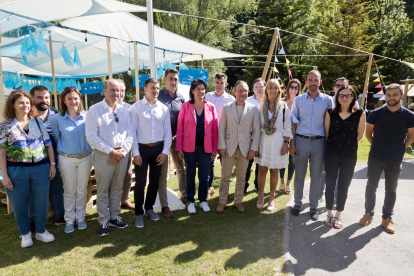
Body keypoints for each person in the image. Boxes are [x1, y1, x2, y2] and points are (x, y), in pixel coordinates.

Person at [0, 90, 56, 248]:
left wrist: (52, 165)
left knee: (41, 202)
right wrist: (4, 175)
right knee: (19, 204)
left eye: (27, 102)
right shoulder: (5, 125)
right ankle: (25, 234)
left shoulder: (37, 122)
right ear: (12, 105)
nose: (25, 105)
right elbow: (2, 152)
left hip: (41, 168)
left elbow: (48, 145)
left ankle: (40, 231)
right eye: (20, 102)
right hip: (16, 170)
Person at [359, 83, 414, 234]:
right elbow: (368, 134)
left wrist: (400, 149)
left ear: (401, 96)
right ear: (385, 96)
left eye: (395, 95)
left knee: (391, 190)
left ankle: (387, 218)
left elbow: (411, 136)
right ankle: (368, 214)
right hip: (375, 156)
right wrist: (377, 146)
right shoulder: (376, 113)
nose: (391, 98)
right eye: (388, 95)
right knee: (371, 186)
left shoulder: (409, 116)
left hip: (395, 159)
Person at [86, 79, 133, 236]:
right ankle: (103, 220)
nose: (116, 93)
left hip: (122, 155)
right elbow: (91, 136)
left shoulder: (125, 110)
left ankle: (114, 216)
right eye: (113, 90)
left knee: (117, 189)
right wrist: (111, 151)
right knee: (103, 189)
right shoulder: (94, 110)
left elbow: (130, 134)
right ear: (104, 91)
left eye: (119, 90)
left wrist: (121, 153)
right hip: (103, 155)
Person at [290, 70, 333, 220]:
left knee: (316, 176)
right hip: (301, 140)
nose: (313, 82)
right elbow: (293, 122)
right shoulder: (298, 100)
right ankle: (297, 203)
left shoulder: (328, 100)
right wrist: (292, 143)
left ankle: (313, 206)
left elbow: (332, 122)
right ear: (306, 82)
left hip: (319, 142)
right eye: (310, 80)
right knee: (299, 174)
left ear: (320, 82)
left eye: (316, 80)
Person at [130, 78, 172, 227]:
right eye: (152, 88)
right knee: (140, 183)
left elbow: (168, 132)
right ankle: (139, 213)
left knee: (155, 181)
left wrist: (165, 151)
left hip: (159, 149)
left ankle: (149, 208)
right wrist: (136, 152)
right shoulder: (135, 108)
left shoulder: (163, 108)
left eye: (157, 88)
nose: (155, 91)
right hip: (142, 149)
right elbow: (132, 132)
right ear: (145, 90)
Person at [51, 87, 93, 234]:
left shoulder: (87, 116)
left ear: (79, 99)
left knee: (81, 190)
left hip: (86, 158)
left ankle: (80, 218)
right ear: (63, 100)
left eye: (75, 98)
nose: (73, 101)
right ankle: (69, 220)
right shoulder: (57, 119)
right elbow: (57, 138)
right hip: (66, 159)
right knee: (69, 191)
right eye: (69, 98)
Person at [324, 86, 366, 229]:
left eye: (348, 95)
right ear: (337, 97)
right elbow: (327, 133)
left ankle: (338, 215)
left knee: (343, 186)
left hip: (349, 154)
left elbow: (359, 136)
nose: (344, 98)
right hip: (331, 153)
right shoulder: (330, 113)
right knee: (329, 184)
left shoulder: (360, 113)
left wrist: (346, 145)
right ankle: (329, 213)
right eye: (341, 95)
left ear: (353, 97)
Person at [217, 81, 260, 213]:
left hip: (245, 149)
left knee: (242, 177)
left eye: (245, 91)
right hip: (228, 148)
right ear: (234, 91)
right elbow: (222, 128)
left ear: (248, 92)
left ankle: (238, 201)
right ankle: (222, 201)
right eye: (240, 90)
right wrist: (222, 146)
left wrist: (253, 149)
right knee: (225, 176)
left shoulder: (253, 109)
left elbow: (256, 130)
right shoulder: (227, 107)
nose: (243, 93)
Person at [176, 79, 218, 214]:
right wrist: (179, 148)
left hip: (206, 148)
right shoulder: (185, 106)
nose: (201, 91)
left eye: (203, 89)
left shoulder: (211, 107)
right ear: (192, 91)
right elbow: (180, 128)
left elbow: (215, 130)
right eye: (198, 89)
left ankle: (203, 200)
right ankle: (190, 201)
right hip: (189, 148)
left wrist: (214, 149)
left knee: (204, 175)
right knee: (190, 175)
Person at [318, 77, 359, 205]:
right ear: (334, 87)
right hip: (330, 145)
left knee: (341, 175)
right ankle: (320, 195)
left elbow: (358, 132)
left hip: (347, 148)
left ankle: (336, 198)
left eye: (342, 85)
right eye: (337, 85)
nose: (339, 87)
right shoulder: (328, 102)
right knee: (325, 172)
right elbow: (326, 129)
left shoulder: (355, 105)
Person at [29, 85, 65, 228]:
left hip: (55, 160)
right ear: (32, 98)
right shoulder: (27, 116)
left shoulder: (58, 115)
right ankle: (32, 219)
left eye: (46, 97)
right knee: (33, 191)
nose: (43, 100)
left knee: (57, 188)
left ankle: (60, 216)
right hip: (34, 162)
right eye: (39, 97)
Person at [255, 79, 292, 210]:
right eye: (270, 87)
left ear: (279, 90)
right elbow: (256, 128)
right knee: (262, 170)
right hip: (263, 141)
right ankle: (260, 195)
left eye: (275, 87)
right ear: (266, 90)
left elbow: (288, 127)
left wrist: (286, 143)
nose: (273, 90)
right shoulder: (260, 107)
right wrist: (256, 146)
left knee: (274, 170)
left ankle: (271, 198)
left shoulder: (283, 107)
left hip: (278, 142)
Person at [157, 68, 186, 218]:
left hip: (176, 138)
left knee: (180, 168)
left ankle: (185, 195)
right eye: (170, 78)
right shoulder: (158, 95)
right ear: (164, 80)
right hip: (160, 140)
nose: (173, 82)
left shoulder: (181, 98)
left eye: (175, 79)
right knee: (162, 173)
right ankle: (164, 204)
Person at [205, 73, 235, 198]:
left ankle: (225, 190)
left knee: (225, 161)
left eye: (221, 83)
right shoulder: (207, 96)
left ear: (225, 84)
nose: (219, 85)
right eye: (217, 82)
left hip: (224, 134)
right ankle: (209, 187)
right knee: (209, 161)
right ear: (214, 83)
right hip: (210, 133)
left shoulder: (231, 99)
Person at [278, 79, 301, 195]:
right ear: (288, 88)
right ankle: (281, 181)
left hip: (296, 136)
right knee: (282, 158)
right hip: (282, 135)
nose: (294, 89)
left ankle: (288, 183)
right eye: (292, 87)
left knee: (293, 159)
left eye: (297, 87)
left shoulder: (300, 102)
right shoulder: (281, 102)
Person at [115, 79, 135, 210]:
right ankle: (113, 203)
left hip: (127, 147)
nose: (120, 93)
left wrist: (126, 147)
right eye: (118, 90)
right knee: (113, 177)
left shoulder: (129, 108)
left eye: (122, 90)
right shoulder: (103, 108)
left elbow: (132, 129)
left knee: (127, 175)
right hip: (111, 149)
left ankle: (124, 200)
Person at [243, 77, 265, 195]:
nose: (259, 89)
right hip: (249, 135)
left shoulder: (268, 101)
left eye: (261, 86)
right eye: (256, 87)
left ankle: (258, 185)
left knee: (260, 163)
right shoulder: (248, 101)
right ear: (253, 89)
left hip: (264, 135)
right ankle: (244, 186)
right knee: (248, 162)